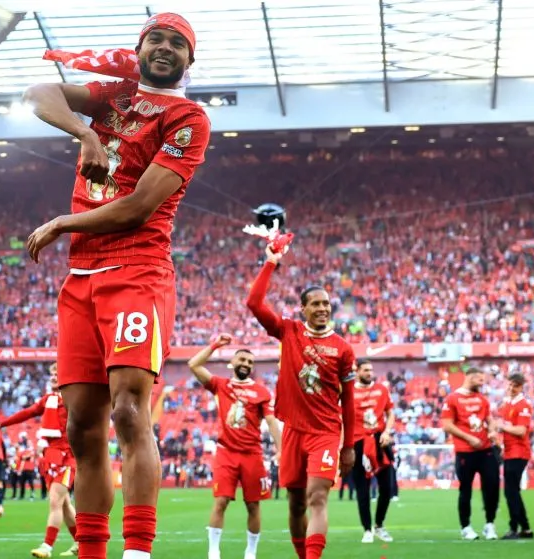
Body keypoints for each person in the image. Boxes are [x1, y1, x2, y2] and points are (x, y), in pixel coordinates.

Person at [23, 12, 210, 559]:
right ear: (140, 47)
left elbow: (138, 208)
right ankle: (92, 552)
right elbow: (39, 91)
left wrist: (63, 223)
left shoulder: (188, 118)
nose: (165, 47)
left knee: (129, 412)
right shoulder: (114, 96)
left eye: (178, 43)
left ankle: (138, 551)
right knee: (82, 426)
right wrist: (85, 132)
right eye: (157, 38)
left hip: (136, 272)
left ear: (188, 60)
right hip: (81, 280)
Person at [245, 243, 357, 559]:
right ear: (303, 309)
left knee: (317, 496)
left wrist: (348, 445)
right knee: (295, 503)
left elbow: (348, 401)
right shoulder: (288, 331)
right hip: (293, 430)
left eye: (326, 304)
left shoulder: (344, 349)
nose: (322, 308)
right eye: (316, 304)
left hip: (325, 433)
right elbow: (253, 302)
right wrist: (270, 262)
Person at [187, 336, 281, 559]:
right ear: (233, 362)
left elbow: (270, 421)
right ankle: (213, 553)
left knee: (253, 505)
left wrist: (281, 449)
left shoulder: (262, 392)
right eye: (242, 359)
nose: (246, 364)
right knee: (221, 501)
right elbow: (193, 364)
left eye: (250, 362)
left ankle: (251, 552)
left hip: (252, 454)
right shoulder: (221, 385)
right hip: (226, 452)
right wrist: (215, 345)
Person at [0, 364, 78, 558]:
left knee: (55, 500)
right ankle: (81, 542)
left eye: (58, 373)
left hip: (67, 457)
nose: (53, 376)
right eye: (52, 373)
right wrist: (1, 424)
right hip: (50, 457)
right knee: (63, 504)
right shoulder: (48, 400)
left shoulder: (74, 399)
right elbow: (27, 413)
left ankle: (47, 546)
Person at [440, 366, 500, 541]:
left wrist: (493, 431)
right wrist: (469, 438)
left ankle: (490, 524)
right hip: (465, 452)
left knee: (492, 486)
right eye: (480, 380)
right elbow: (447, 425)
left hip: (486, 450)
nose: (482, 383)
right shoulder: (452, 398)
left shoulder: (482, 399)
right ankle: (465, 526)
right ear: (470, 377)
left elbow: (489, 419)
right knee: (465, 489)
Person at [351, 359, 396, 544]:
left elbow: (391, 413)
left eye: (371, 370)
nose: (370, 373)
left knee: (387, 488)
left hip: (380, 441)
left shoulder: (382, 389)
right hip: (359, 443)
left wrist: (387, 431)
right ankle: (367, 529)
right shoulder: (348, 392)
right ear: (357, 371)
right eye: (366, 370)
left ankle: (379, 524)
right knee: (363, 489)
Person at [497, 373, 533, 539]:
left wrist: (502, 426)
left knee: (510, 492)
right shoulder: (507, 404)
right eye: (510, 385)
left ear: (521, 387)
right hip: (510, 452)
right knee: (513, 491)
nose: (511, 388)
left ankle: (514, 528)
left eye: (515, 386)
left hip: (519, 452)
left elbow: (521, 431)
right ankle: (525, 528)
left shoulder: (523, 405)